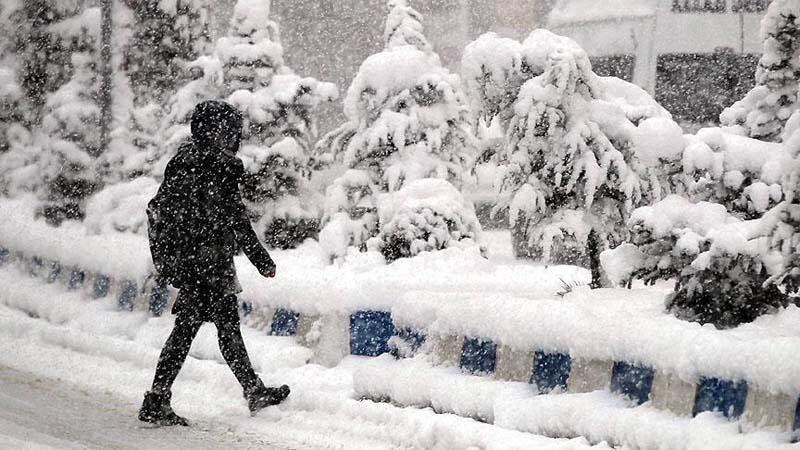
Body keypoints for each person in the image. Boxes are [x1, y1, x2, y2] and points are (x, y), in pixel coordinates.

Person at [139, 100, 290, 426]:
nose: (235, 137)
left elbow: (157, 211)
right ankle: (158, 397)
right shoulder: (217, 169)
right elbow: (238, 222)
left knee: (218, 329)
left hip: (191, 264)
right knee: (197, 332)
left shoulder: (182, 165)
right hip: (209, 266)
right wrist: (263, 262)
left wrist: (167, 259)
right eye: (231, 131)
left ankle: (251, 390)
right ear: (221, 132)